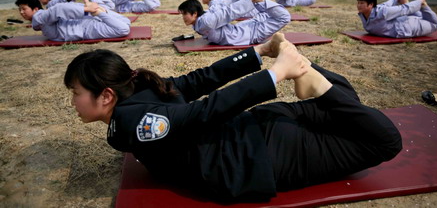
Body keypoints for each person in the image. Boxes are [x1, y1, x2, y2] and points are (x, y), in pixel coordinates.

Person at [64, 33, 402, 201]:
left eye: (76, 92)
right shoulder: (136, 102)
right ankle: (312, 77)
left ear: (106, 94)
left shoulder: (128, 122)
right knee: (351, 108)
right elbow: (200, 102)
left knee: (385, 139)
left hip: (258, 154)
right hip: (260, 141)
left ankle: (312, 79)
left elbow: (200, 93)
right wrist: (273, 73)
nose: (73, 101)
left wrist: (262, 56)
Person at [178, 0, 291, 46]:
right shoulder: (200, 21)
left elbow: (228, 13)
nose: (183, 17)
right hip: (245, 29)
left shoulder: (206, 22)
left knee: (285, 17)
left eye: (184, 14)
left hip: (251, 34)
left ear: (195, 13)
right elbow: (221, 8)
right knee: (272, 15)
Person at [15, 0, 130, 41]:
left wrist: (87, 10)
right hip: (85, 24)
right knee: (126, 22)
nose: (21, 12)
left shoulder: (38, 17)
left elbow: (59, 8)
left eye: (24, 9)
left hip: (85, 29)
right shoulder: (41, 19)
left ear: (35, 9)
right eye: (20, 10)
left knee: (124, 28)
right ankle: (99, 9)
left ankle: (99, 11)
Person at [356, 0, 437, 38]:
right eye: (358, 3)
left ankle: (423, 5)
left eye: (362, 3)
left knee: (435, 24)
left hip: (407, 28)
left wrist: (420, 1)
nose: (359, 5)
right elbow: (385, 4)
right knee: (416, 15)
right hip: (403, 21)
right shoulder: (364, 13)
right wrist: (395, 0)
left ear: (371, 5)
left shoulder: (383, 12)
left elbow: (403, 9)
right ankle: (405, 1)